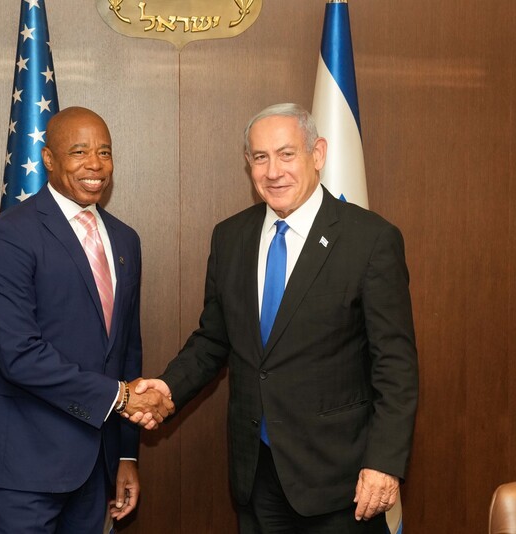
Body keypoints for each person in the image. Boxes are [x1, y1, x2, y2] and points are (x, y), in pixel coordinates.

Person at [131, 103, 418, 533]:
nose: (273, 171)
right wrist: (169, 387)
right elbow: (214, 339)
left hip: (341, 482)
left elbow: (395, 366)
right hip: (256, 475)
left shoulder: (370, 240)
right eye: (260, 158)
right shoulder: (231, 237)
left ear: (317, 154)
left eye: (287, 154)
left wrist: (384, 463)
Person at [0, 106, 174, 534]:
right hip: (26, 468)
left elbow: (126, 351)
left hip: (96, 468)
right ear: (48, 159)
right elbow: (19, 355)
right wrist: (121, 398)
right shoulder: (7, 235)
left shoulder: (125, 239)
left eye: (104, 152)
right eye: (79, 151)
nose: (95, 165)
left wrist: (126, 455)